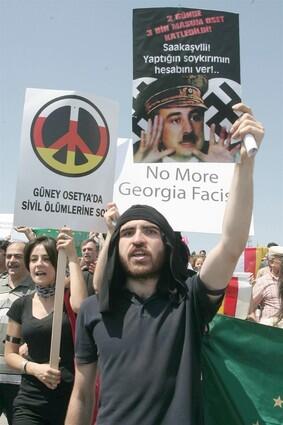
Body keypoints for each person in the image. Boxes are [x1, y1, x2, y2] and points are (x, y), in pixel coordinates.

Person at [65, 103, 264, 425]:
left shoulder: (189, 300)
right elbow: (83, 394)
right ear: (116, 247)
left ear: (167, 245)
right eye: (127, 233)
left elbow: (231, 244)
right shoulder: (92, 309)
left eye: (150, 231)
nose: (138, 238)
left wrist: (245, 164)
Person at [4, 230, 87, 425]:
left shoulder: (71, 298)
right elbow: (10, 354)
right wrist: (34, 369)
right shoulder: (21, 305)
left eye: (46, 259)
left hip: (71, 402)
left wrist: (72, 256)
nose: (38, 264)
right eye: (33, 259)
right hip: (30, 403)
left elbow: (81, 307)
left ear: (58, 265)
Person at [133, 75, 241, 163]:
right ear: (155, 128)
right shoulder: (134, 156)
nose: (188, 130)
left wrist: (226, 170)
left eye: (195, 117)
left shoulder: (228, 155)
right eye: (176, 120)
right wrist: (138, 170)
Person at [0, 241, 34, 425]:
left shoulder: (38, 290)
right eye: (8, 256)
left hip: (20, 378)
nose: (11, 260)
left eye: (17, 256)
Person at [248, 246, 283, 326]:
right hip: (271, 331)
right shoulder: (263, 282)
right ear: (271, 262)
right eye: (282, 259)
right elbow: (250, 309)